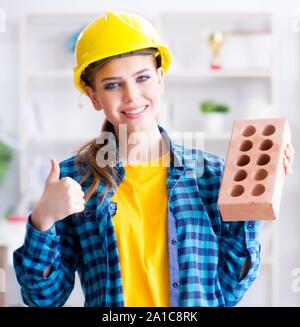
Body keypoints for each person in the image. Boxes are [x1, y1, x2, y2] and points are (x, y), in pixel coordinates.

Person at [13, 11, 294, 307]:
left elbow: (227, 291)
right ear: (93, 96)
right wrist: (42, 219)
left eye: (142, 78)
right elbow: (43, 298)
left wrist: (254, 199)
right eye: (112, 85)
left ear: (160, 80)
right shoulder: (75, 183)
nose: (131, 95)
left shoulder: (212, 176)